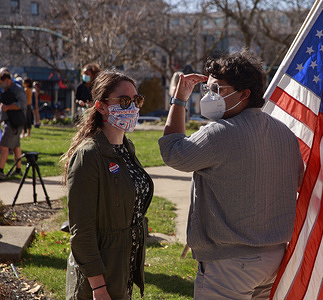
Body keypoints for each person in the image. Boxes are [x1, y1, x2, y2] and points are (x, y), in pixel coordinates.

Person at [159, 50, 303, 299]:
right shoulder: (285, 133)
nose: (209, 96)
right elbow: (299, 181)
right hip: (274, 256)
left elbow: (173, 153)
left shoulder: (219, 133)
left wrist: (179, 100)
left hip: (230, 262)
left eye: (218, 90)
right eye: (208, 89)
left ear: (244, 94)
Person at [62, 70, 153, 299]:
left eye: (136, 100)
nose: (132, 107)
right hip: (99, 278)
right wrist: (98, 287)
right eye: (124, 101)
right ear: (101, 106)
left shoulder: (126, 147)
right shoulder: (88, 155)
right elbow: (81, 230)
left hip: (122, 268)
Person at [0, 69, 27, 179]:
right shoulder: (7, 89)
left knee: (4, 146)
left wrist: (7, 107)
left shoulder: (17, 89)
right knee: (16, 147)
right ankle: (18, 170)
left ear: (7, 80)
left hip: (14, 123)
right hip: (11, 123)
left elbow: (22, 104)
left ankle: (0, 171)